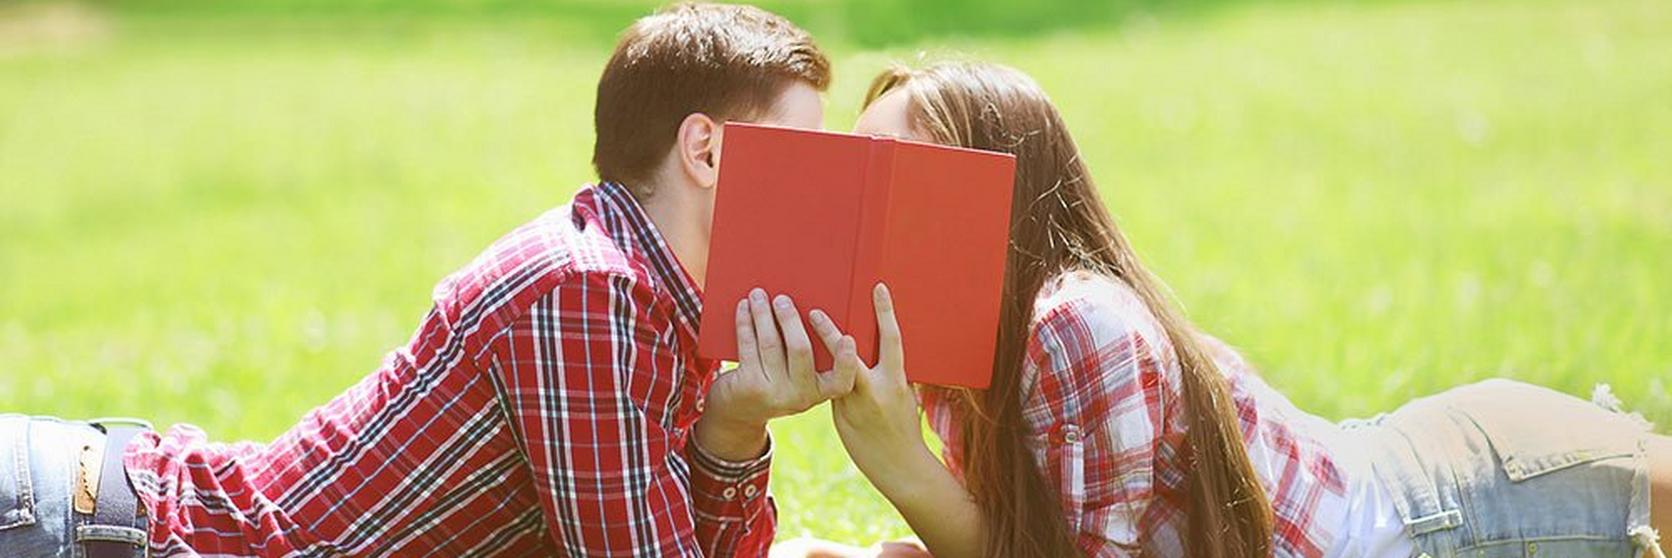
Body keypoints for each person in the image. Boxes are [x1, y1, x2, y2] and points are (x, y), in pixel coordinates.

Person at [0, 3, 849, 556]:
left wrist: (733, 423)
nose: (820, 196)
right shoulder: (590, 294)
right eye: (804, 155)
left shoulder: (647, 299)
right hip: (83, 532)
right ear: (705, 151)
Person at [771, 61, 1672, 558]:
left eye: (909, 177)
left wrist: (905, 472)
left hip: (1461, 512)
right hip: (1404, 461)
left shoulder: (1077, 324)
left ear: (1000, 195)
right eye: (864, 174)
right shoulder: (955, 347)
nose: (877, 208)